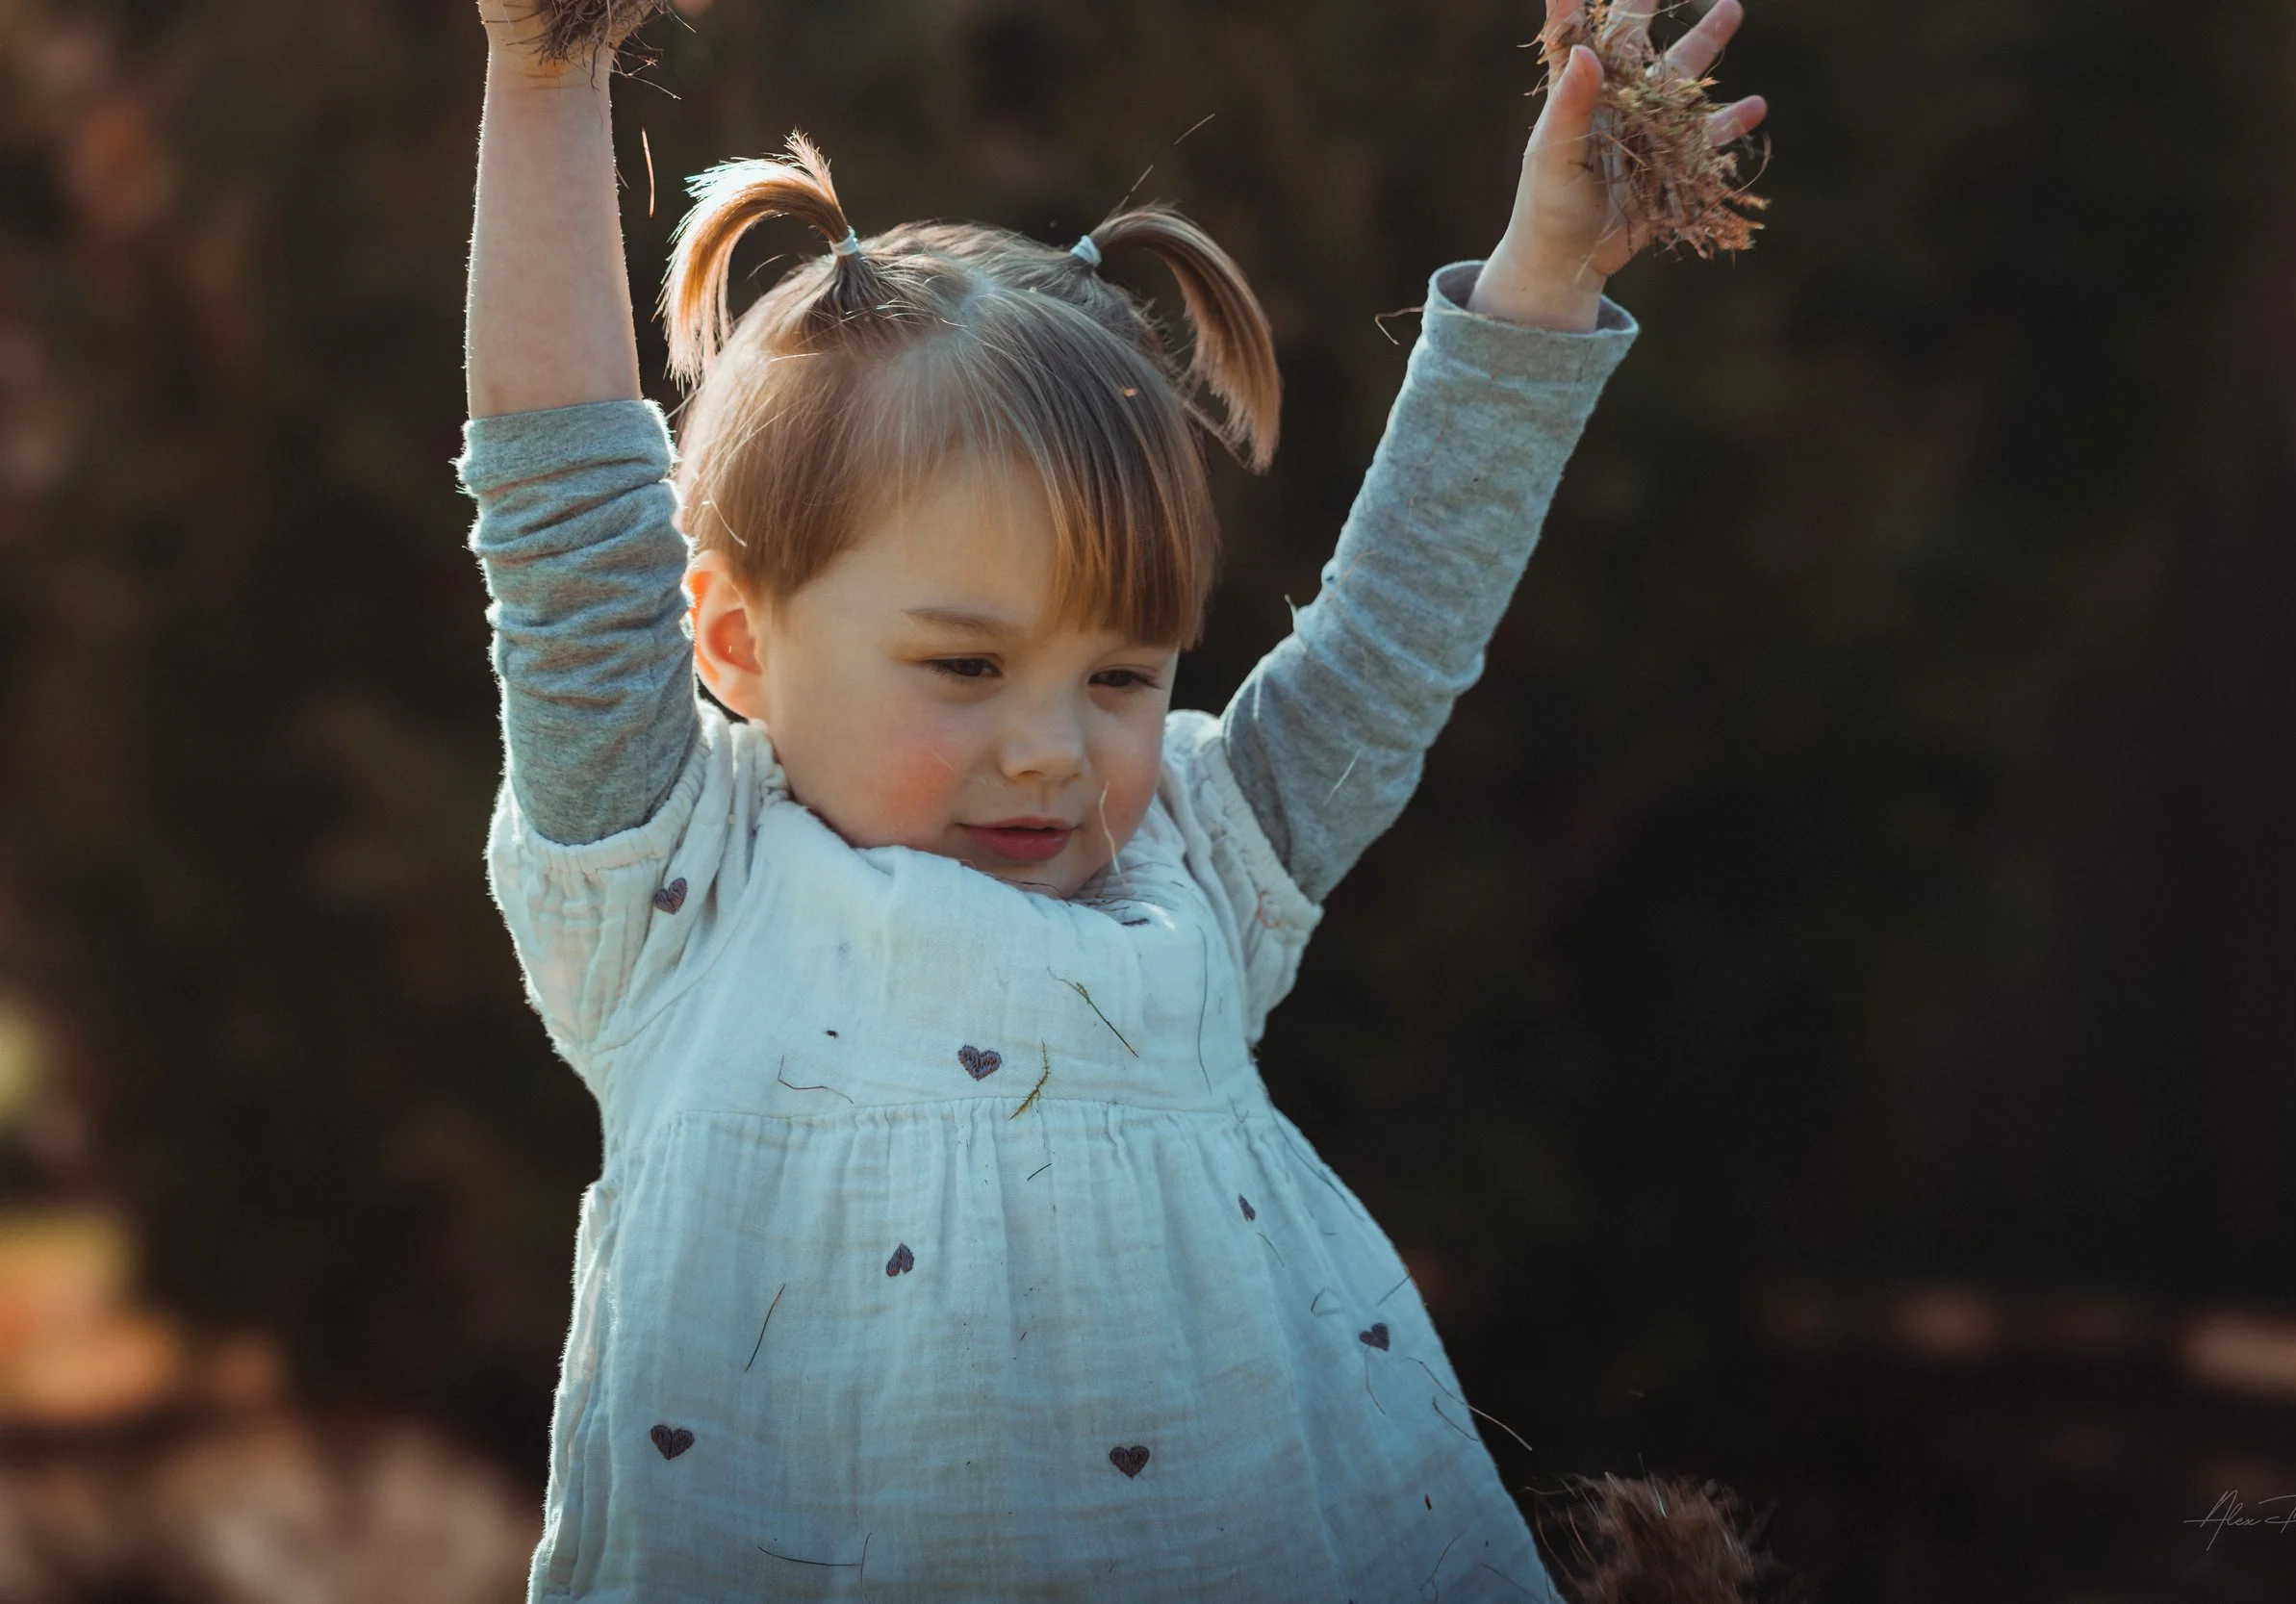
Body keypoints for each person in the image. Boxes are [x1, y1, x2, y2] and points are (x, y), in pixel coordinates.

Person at [459, 0, 1767, 1595]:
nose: (1055, 754)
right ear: (735, 637)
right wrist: (545, 69)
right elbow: (565, 512)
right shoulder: (677, 890)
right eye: (963, 667)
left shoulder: (1192, 857)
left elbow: (1394, 639)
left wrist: (1545, 278)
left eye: (1122, 674)